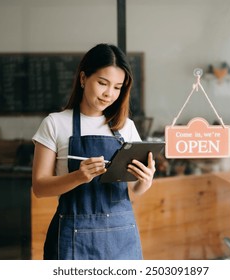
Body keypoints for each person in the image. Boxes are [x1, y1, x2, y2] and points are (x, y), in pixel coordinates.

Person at [31, 43, 156, 260]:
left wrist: (146, 180)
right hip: (72, 238)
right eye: (102, 83)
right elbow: (40, 187)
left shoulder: (126, 127)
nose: (109, 94)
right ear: (82, 79)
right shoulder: (55, 123)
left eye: (117, 87)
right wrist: (79, 177)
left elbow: (136, 188)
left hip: (122, 237)